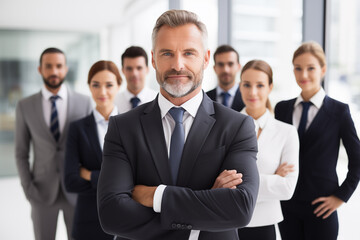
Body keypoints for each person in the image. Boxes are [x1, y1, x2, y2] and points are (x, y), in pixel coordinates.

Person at [97, 9, 259, 240]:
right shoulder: (123, 128)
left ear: (205, 58)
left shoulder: (237, 126)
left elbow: (240, 208)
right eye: (167, 54)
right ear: (153, 59)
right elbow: (111, 214)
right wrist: (207, 202)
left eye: (189, 53)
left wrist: (156, 196)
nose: (178, 65)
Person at [275, 41, 360, 240]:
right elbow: (275, 150)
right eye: (298, 68)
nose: (303, 75)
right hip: (287, 206)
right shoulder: (282, 109)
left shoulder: (340, 111)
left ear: (323, 69)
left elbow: (357, 161)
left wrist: (340, 197)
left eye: (310, 68)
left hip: (322, 208)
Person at [15, 47, 92, 240]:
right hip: (41, 192)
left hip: (76, 191)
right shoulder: (25, 106)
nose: (54, 71)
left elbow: (90, 149)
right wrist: (28, 189)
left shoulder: (84, 103)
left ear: (66, 69)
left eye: (59, 66)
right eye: (48, 66)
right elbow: (21, 152)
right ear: (40, 69)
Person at [237, 60, 299, 240]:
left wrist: (242, 183)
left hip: (264, 226)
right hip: (228, 222)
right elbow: (218, 182)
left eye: (260, 85)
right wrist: (273, 179)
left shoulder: (286, 132)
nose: (253, 92)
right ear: (240, 86)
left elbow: (287, 188)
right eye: (247, 85)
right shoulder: (226, 128)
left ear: (270, 87)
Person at [64, 60, 121, 240]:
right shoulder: (77, 129)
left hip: (125, 221)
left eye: (109, 85)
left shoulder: (132, 126)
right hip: (88, 222)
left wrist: (90, 175)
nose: (102, 92)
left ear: (119, 86)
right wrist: (115, 183)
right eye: (96, 85)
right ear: (89, 87)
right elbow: (71, 181)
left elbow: (138, 179)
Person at [114, 46, 157, 112]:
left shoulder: (158, 101)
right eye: (129, 68)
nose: (134, 74)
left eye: (139, 68)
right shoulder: (114, 103)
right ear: (122, 70)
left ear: (147, 70)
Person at [206, 45, 244, 111]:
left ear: (238, 67)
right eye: (221, 64)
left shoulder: (247, 98)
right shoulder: (205, 98)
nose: (225, 70)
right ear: (214, 68)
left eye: (230, 64)